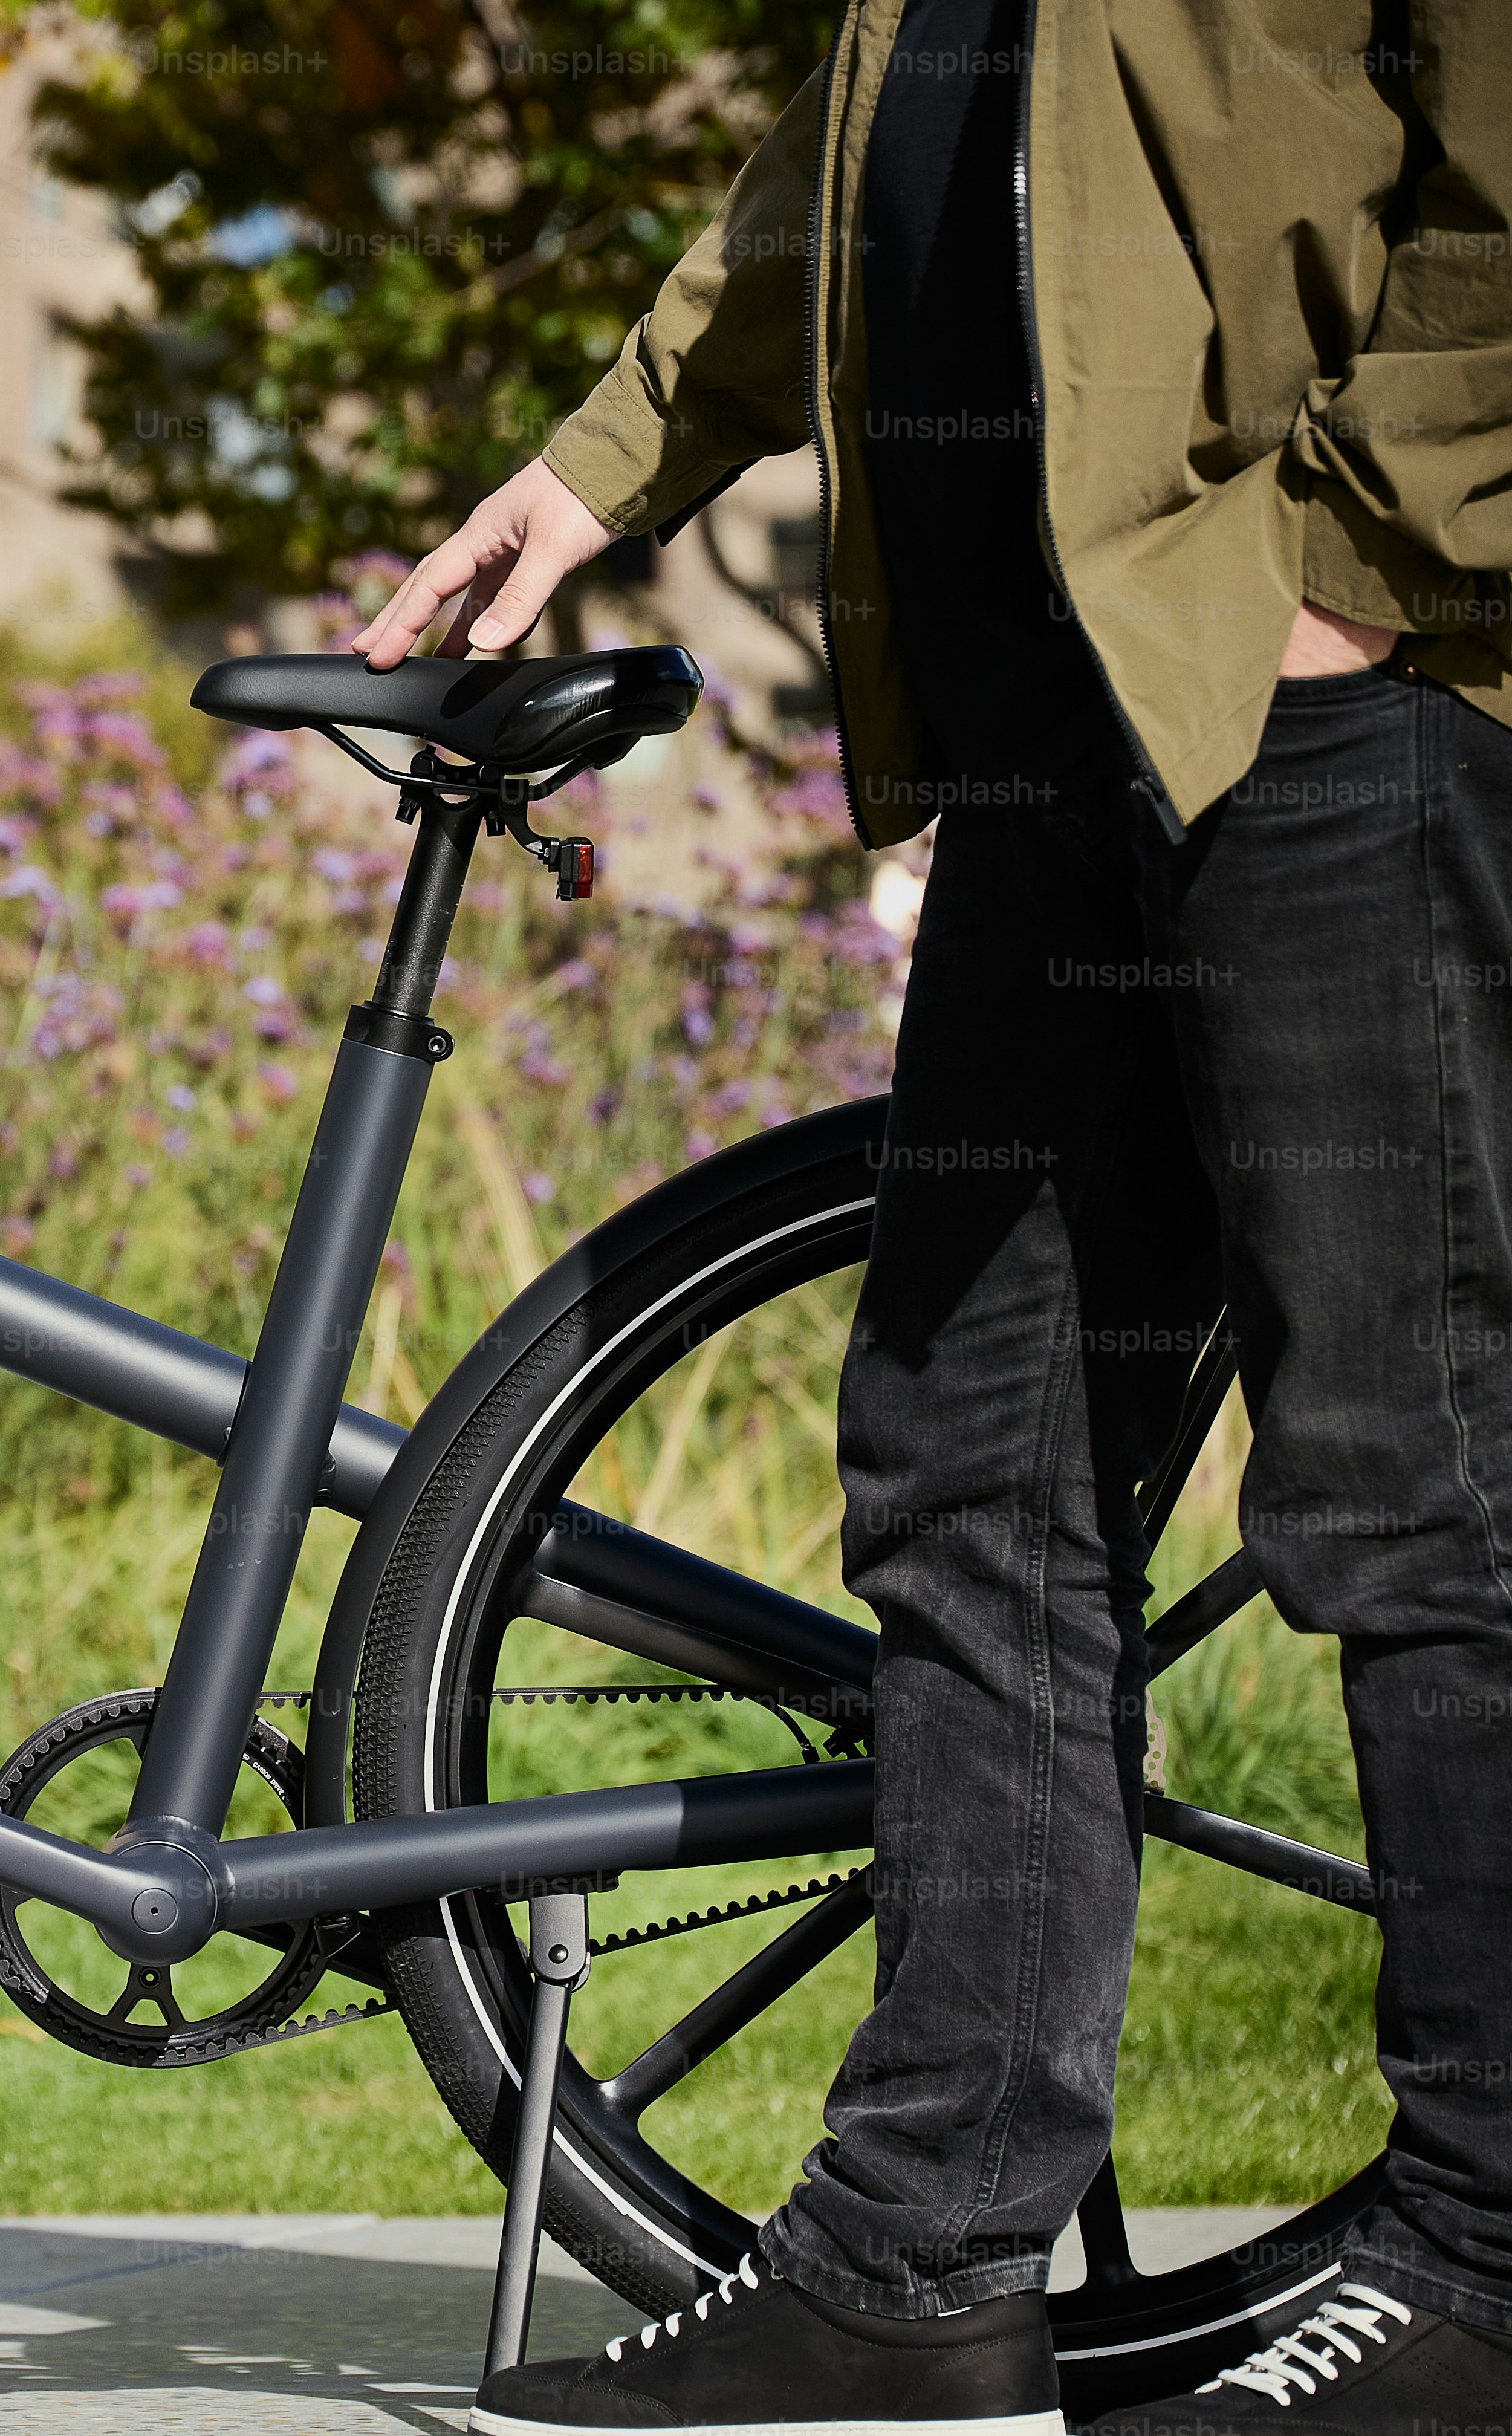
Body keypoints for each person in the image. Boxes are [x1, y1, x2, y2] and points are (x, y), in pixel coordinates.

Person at [345, 4, 1511, 2431]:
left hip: (1318, 711)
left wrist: (1367, 561)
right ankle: (918, 2255)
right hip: (1046, 722)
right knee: (963, 1469)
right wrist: (594, 474)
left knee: (1413, 1494)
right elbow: (854, 178)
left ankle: (1487, 2259)